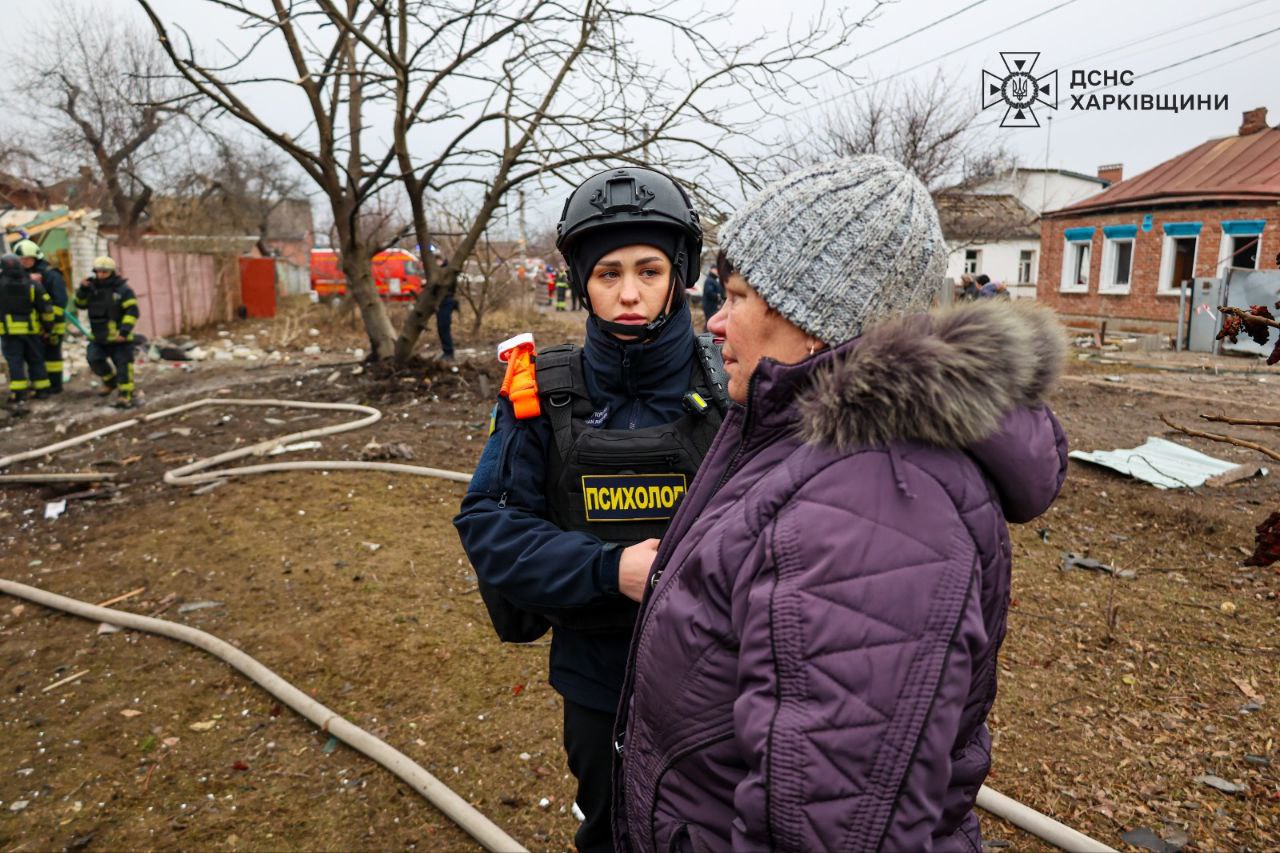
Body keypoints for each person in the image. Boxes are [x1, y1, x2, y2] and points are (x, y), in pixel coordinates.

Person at [614, 156, 1068, 853]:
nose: (715, 322)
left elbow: (830, 823)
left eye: (735, 296)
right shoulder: (792, 435)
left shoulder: (879, 497)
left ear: (817, 316)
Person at [455, 166, 728, 853]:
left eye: (649, 270)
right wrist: (611, 569)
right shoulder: (540, 391)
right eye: (608, 273)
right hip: (597, 677)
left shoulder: (730, 386)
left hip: (720, 675)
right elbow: (488, 524)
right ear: (582, 281)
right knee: (609, 830)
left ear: (680, 274)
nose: (629, 293)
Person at [74, 256, 140, 408]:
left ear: (111, 272)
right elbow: (79, 304)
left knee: (124, 367)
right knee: (93, 359)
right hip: (98, 336)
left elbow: (132, 312)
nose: (101, 275)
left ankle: (125, 395)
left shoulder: (123, 290)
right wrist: (82, 290)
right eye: (98, 272)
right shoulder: (91, 288)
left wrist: (124, 332)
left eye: (104, 272)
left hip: (119, 338)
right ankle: (110, 382)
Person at [0, 252, 55, 407]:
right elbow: (46, 308)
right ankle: (42, 390)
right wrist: (48, 328)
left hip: (9, 332)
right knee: (36, 359)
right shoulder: (32, 284)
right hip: (31, 330)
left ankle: (19, 394)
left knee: (15, 362)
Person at [14, 240, 69, 393]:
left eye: (27, 259)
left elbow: (60, 302)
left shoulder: (51, 275)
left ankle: (56, 386)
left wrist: (50, 326)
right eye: (21, 260)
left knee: (52, 357)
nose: (24, 262)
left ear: (36, 258)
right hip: (33, 326)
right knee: (36, 357)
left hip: (53, 324)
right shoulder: (21, 277)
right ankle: (42, 386)